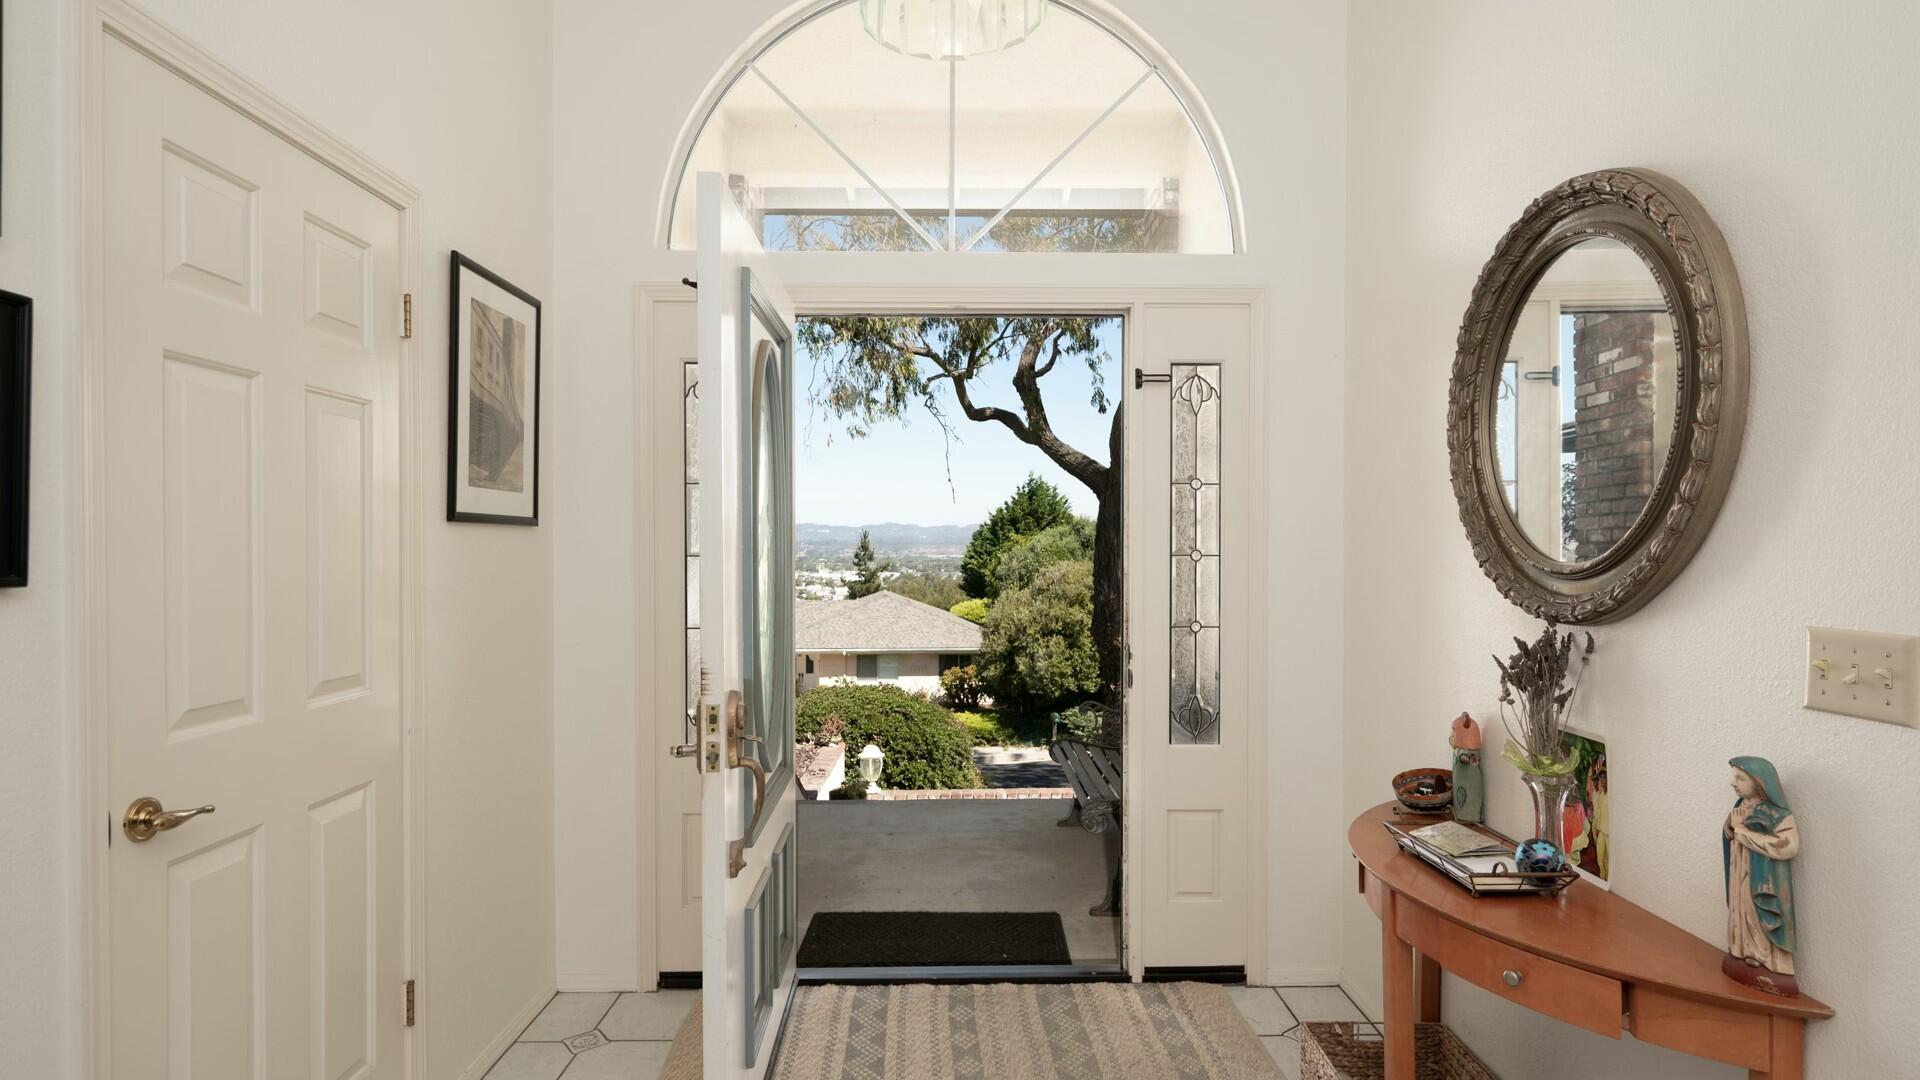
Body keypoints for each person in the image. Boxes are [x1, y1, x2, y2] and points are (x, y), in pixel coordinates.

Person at [1722, 756, 1800, 997]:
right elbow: (1729, 833)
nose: (1732, 783)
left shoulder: (1778, 814)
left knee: (1756, 914)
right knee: (1741, 911)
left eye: (1740, 778)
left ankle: (1766, 960)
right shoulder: (1740, 806)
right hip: (1739, 873)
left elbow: (1788, 846)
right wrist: (1730, 828)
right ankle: (1743, 951)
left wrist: (1742, 831)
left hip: (1762, 881)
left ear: (1759, 782)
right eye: (1734, 777)